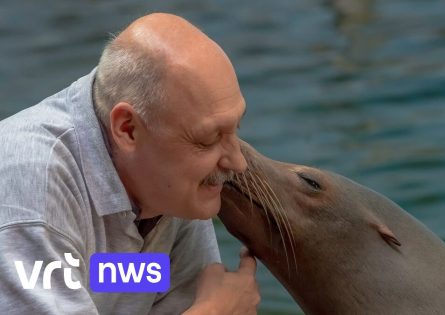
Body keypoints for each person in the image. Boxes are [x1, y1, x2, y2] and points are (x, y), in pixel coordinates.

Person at [0, 13, 260, 315]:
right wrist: (214, 311)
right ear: (127, 129)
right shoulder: (31, 194)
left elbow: (100, 276)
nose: (238, 162)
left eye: (234, 129)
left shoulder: (167, 184)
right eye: (207, 139)